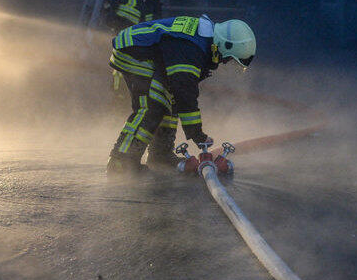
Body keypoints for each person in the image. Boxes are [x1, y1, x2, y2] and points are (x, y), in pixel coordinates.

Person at [106, 15, 256, 174]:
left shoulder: (200, 41)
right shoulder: (190, 48)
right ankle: (121, 161)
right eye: (226, 58)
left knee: (170, 102)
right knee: (152, 107)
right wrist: (197, 134)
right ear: (223, 44)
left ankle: (160, 155)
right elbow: (185, 92)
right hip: (133, 53)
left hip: (144, 51)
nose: (223, 62)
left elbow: (181, 92)